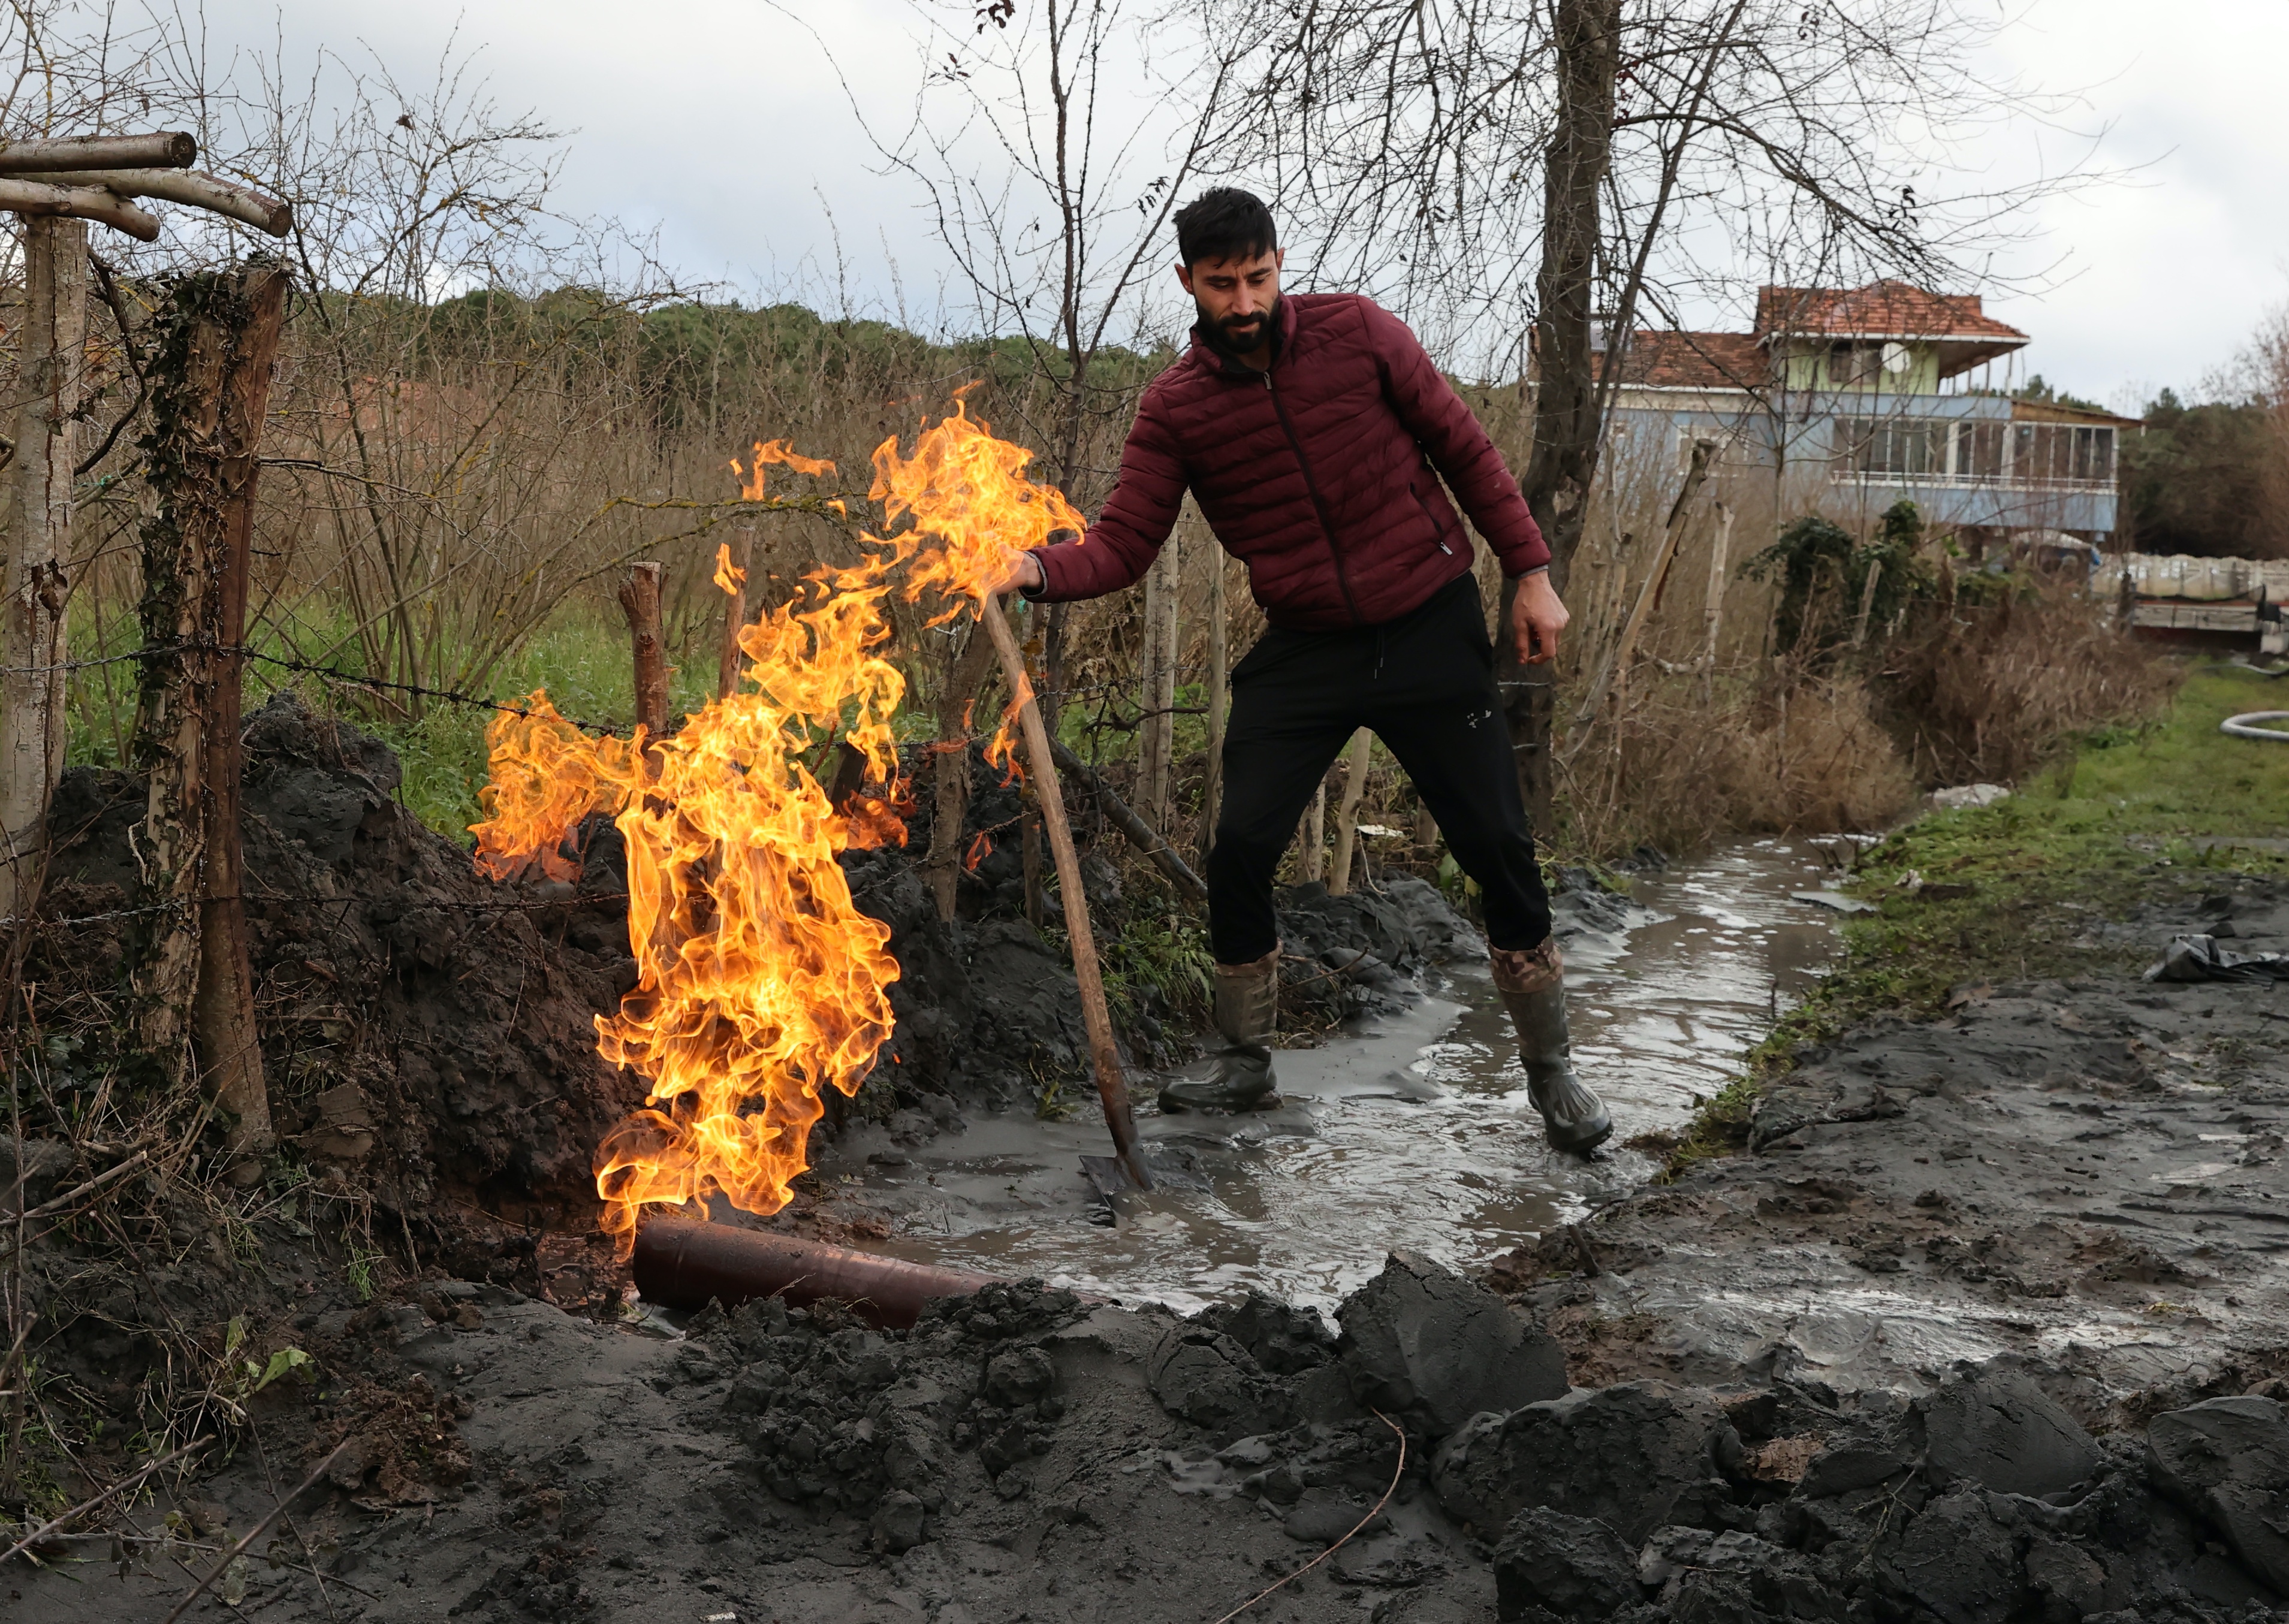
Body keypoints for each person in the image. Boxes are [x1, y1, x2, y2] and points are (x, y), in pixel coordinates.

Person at [990, 187, 1611, 1154]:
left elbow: (1467, 448)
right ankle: (1245, 1063)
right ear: (1188, 283)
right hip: (1308, 645)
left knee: (1498, 846)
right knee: (1239, 843)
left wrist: (1530, 571)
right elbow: (1122, 543)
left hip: (1429, 624)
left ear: (1282, 265)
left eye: (1259, 279)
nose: (1243, 303)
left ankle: (1553, 1072)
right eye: (1221, 284)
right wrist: (1032, 569)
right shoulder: (1177, 408)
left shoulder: (1359, 334)